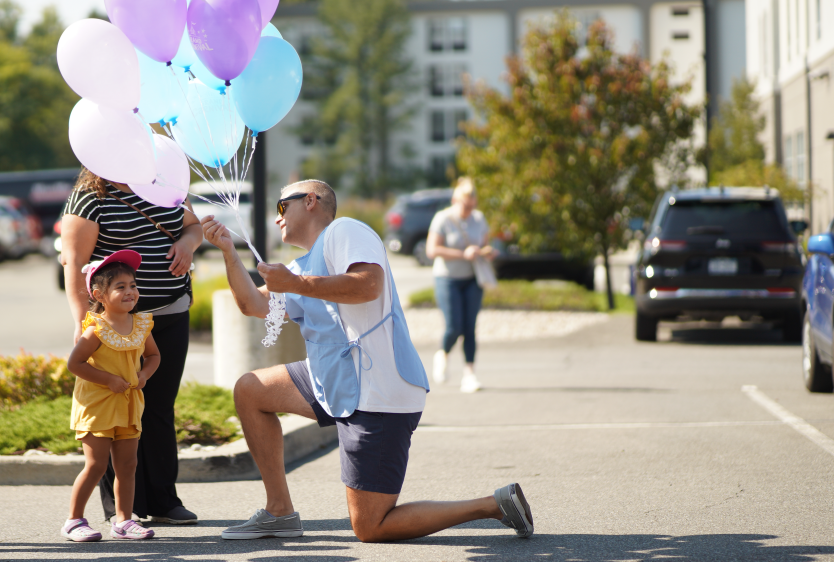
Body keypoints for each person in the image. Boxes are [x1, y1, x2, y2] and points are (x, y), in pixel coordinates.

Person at [201, 179, 533, 543]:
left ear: (310, 201)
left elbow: (367, 285)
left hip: (378, 392)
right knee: (251, 390)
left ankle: (493, 505)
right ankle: (279, 512)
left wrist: (295, 284)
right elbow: (253, 305)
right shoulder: (303, 263)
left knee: (371, 527)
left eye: (282, 207)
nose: (277, 218)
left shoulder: (345, 230)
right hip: (337, 379)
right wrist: (229, 253)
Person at [60, 169, 203, 525]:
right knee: (113, 411)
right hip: (113, 326)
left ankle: (164, 501)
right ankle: (123, 510)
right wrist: (83, 322)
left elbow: (193, 226)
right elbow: (74, 262)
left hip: (169, 313)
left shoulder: (162, 182)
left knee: (157, 407)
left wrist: (186, 244)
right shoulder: (92, 196)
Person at [61, 250, 161, 542]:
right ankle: (74, 521)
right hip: (98, 405)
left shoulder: (141, 324)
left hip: (129, 404)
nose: (130, 292)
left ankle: (123, 521)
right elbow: (74, 364)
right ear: (99, 295)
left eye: (132, 285)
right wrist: (108, 379)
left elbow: (154, 356)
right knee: (96, 465)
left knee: (128, 465)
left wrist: (143, 375)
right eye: (120, 287)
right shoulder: (96, 329)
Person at [425, 177, 495, 392]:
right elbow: (432, 250)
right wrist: (463, 254)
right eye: (465, 205)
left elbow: (484, 245)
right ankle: (443, 354)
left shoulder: (479, 218)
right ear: (456, 200)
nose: (469, 209)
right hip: (448, 278)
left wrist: (487, 252)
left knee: (470, 327)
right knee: (454, 326)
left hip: (473, 278)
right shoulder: (443, 219)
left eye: (472, 205)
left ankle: (470, 374)